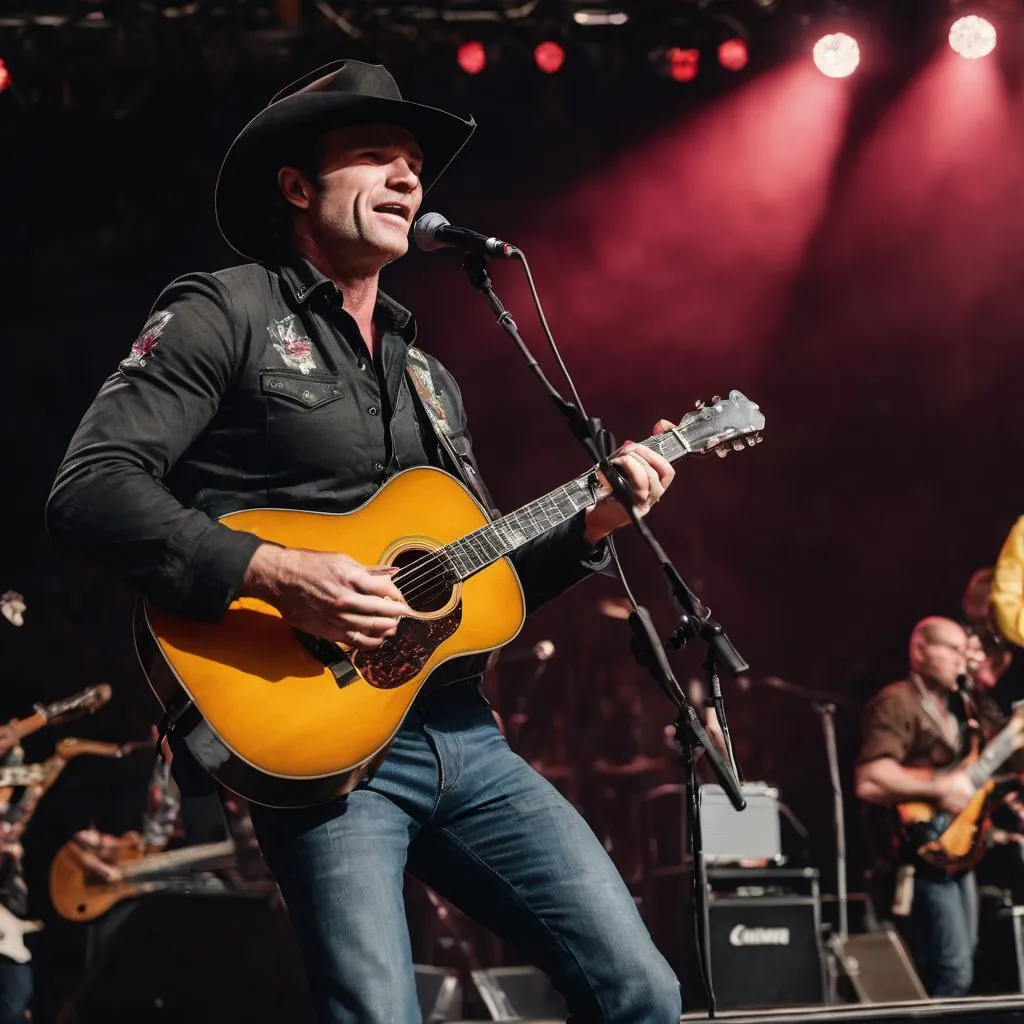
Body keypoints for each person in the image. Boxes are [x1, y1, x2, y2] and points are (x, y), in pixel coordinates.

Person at [45, 60, 683, 1023]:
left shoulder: (431, 376)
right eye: (375, 156)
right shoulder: (225, 311)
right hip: (316, 752)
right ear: (297, 187)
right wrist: (276, 573)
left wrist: (593, 526)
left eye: (416, 165)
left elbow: (473, 584)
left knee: (641, 991)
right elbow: (89, 487)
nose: (408, 180)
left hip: (461, 737)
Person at [854, 616, 1024, 997]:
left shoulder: (963, 711)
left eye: (966, 652)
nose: (963, 660)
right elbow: (870, 778)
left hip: (957, 853)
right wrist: (939, 788)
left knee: (964, 966)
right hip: (919, 851)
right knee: (951, 972)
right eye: (953, 650)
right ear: (920, 650)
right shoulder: (897, 702)